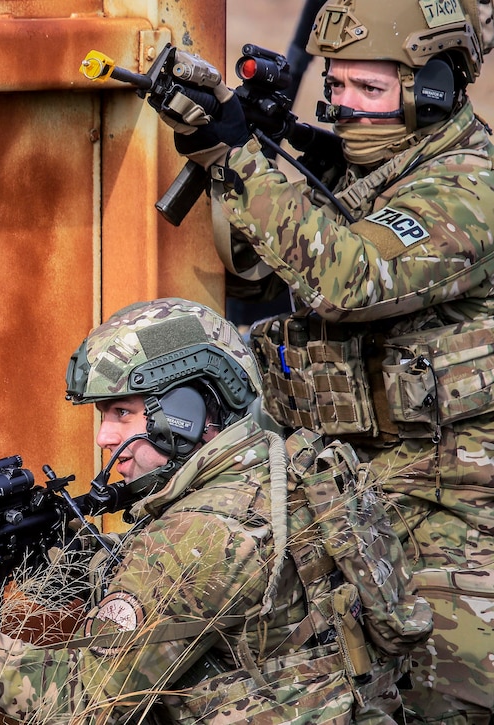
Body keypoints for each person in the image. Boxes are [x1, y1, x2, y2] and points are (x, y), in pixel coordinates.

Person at [166, 1, 494, 723]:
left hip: (453, 518)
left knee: (431, 699)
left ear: (433, 90)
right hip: (349, 496)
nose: (347, 112)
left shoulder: (470, 188)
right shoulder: (368, 171)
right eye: (337, 88)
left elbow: (347, 276)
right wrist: (237, 127)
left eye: (368, 92)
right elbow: (261, 262)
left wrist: (236, 155)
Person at [0, 298, 415, 723]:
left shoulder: (192, 536)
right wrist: (94, 565)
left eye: (121, 413)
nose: (104, 437)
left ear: (188, 412)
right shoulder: (290, 466)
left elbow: (84, 702)